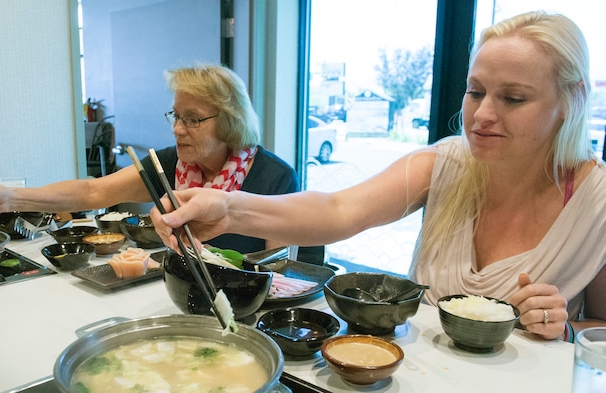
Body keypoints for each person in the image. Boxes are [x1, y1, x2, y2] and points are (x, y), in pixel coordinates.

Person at [151, 11, 606, 341]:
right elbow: (339, 208)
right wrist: (228, 209)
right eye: (476, 91)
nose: (483, 115)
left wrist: (564, 327)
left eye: (514, 98)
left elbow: (598, 329)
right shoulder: (447, 162)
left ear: (571, 100)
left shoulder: (596, 200)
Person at [0, 64, 297, 254]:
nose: (177, 130)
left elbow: (280, 271)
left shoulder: (273, 177)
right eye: (175, 116)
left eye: (192, 119)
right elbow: (93, 192)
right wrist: (9, 197)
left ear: (230, 121)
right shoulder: (170, 166)